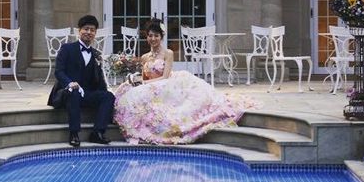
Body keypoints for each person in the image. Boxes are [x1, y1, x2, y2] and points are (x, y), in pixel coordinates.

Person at [114, 19, 252, 145]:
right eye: (150, 35)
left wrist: (145, 84)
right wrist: (137, 80)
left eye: (156, 35)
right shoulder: (144, 57)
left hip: (164, 84)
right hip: (151, 86)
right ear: (146, 37)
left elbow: (165, 77)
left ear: (161, 37)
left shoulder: (168, 53)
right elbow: (146, 78)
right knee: (128, 92)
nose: (153, 39)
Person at [48, 15, 115, 147]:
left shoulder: (96, 54)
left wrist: (105, 91)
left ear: (95, 33)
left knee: (108, 96)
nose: (89, 32)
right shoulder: (67, 48)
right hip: (67, 92)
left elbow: (99, 78)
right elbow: (59, 72)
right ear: (79, 31)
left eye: (92, 30)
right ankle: (74, 133)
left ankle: (97, 132)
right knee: (74, 92)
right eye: (86, 29)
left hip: (87, 93)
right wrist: (70, 83)